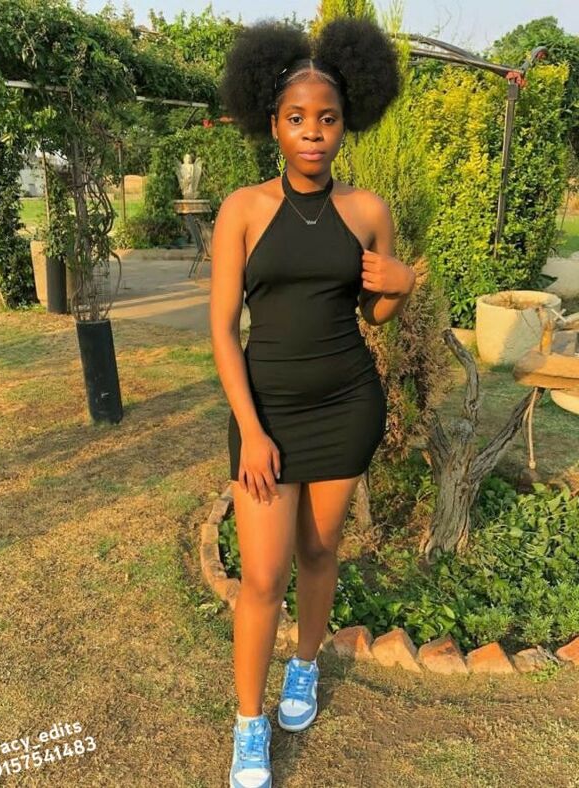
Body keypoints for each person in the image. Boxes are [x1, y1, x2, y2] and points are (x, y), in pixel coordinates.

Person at [210, 16, 415, 788]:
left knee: (321, 552)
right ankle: (249, 725)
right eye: (297, 118)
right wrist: (252, 432)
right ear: (272, 122)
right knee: (263, 577)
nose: (312, 132)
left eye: (326, 118)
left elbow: (375, 314)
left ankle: (304, 666)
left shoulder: (368, 212)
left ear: (345, 123)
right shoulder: (242, 210)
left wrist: (402, 286)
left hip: (346, 405)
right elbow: (223, 331)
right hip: (265, 415)